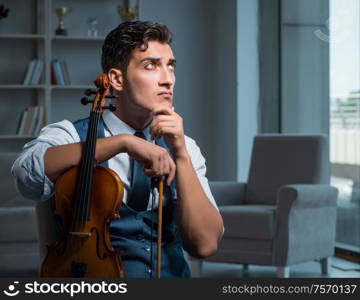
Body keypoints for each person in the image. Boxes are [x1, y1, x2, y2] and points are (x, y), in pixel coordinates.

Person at [12, 21, 224, 278]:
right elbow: (26, 174)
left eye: (171, 66)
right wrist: (124, 143)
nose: (167, 79)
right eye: (151, 66)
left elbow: (204, 245)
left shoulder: (185, 146)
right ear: (116, 79)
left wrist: (180, 154)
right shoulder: (69, 134)